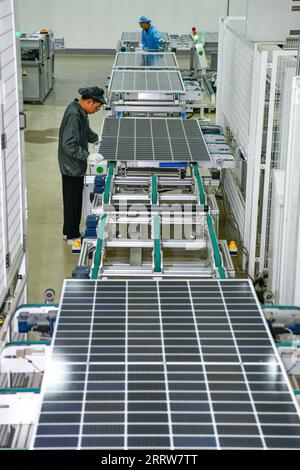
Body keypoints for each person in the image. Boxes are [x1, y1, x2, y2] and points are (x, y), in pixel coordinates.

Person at [58, 86, 106, 245]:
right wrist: (88, 156)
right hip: (72, 167)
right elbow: (68, 145)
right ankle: (72, 237)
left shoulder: (79, 111)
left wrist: (96, 139)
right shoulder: (74, 115)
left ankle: (67, 231)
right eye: (97, 107)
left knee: (71, 199)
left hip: (72, 164)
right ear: (90, 101)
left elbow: (85, 131)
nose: (97, 110)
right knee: (74, 201)